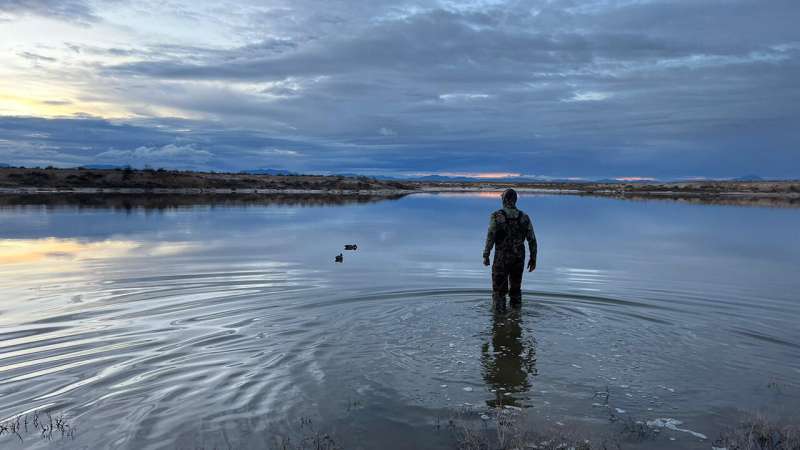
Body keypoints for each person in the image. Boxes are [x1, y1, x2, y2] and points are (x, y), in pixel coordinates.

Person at [483, 189, 537, 311]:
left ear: (504, 200)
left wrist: (486, 255)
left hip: (502, 258)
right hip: (519, 258)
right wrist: (533, 258)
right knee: (516, 291)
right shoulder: (524, 217)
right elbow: (532, 240)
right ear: (515, 200)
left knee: (499, 292)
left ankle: (499, 321)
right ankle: (516, 318)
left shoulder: (496, 216)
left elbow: (490, 236)